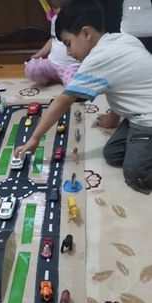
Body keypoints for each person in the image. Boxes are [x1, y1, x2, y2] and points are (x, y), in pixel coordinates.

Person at [15, 0, 152, 195]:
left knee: (136, 175)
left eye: (68, 44)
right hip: (140, 111)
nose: (69, 53)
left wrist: (34, 138)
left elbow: (62, 101)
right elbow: (123, 84)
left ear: (86, 34)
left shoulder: (97, 59)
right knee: (113, 155)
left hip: (147, 118)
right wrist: (114, 118)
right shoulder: (122, 39)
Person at [24, 0, 80, 86]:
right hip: (52, 64)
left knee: (74, 86)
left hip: (71, 67)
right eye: (54, 7)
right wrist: (39, 54)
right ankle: (54, 77)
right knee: (31, 68)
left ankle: (66, 78)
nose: (57, 11)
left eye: (61, 8)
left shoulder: (78, 22)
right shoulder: (55, 19)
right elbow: (52, 39)